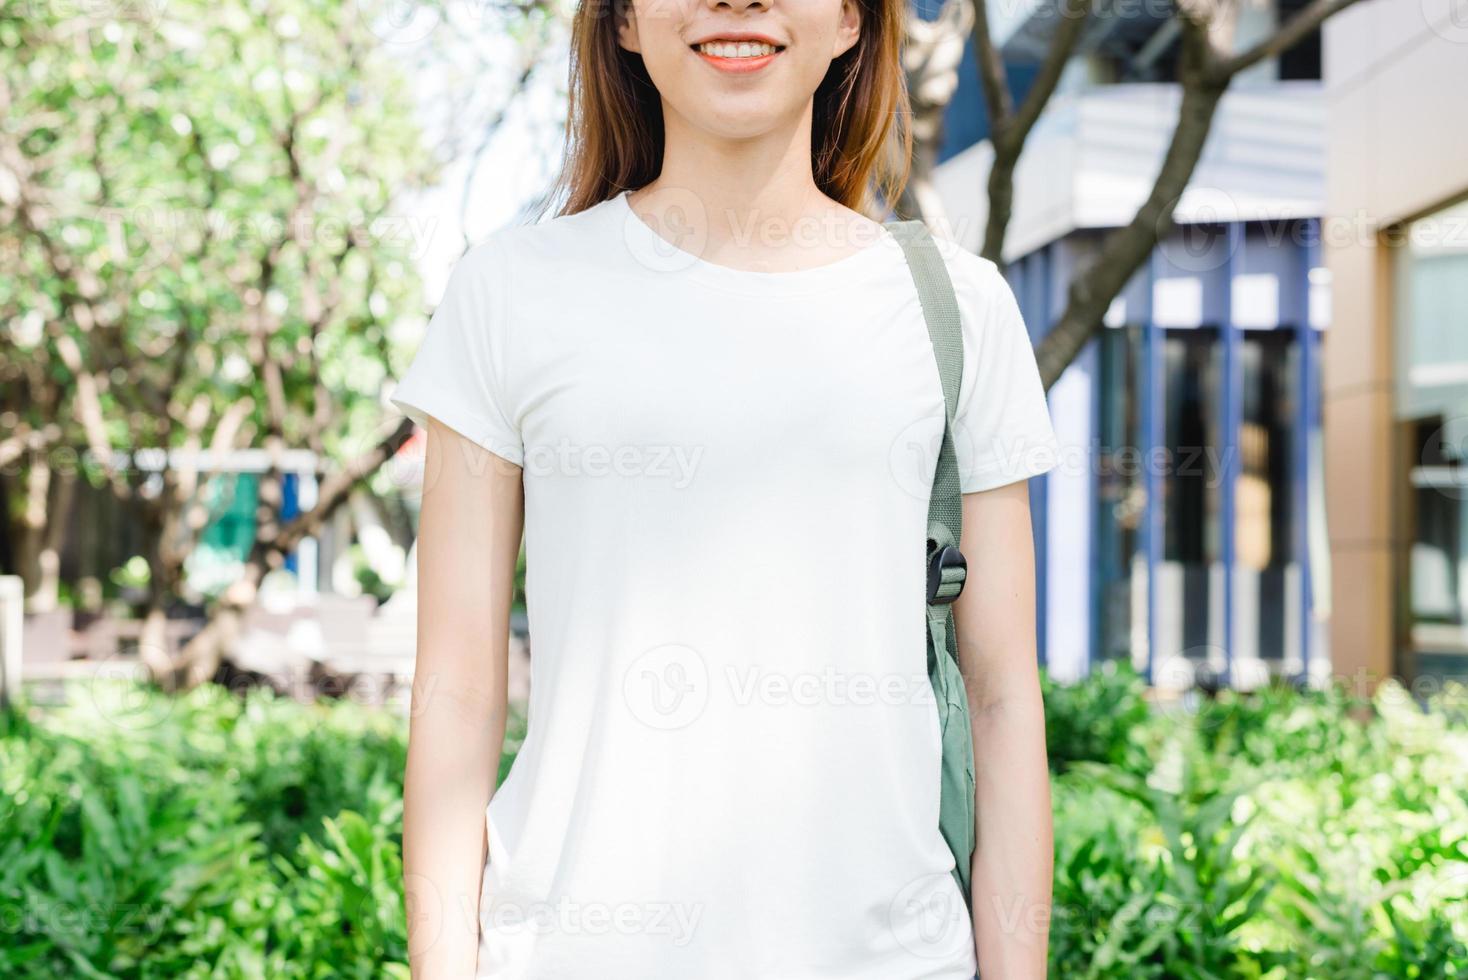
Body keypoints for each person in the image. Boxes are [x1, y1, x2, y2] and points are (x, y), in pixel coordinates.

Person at [391, 0, 1059, 975]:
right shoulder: (510, 290)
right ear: (620, 22)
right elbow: (455, 696)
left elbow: (1001, 699)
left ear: (848, 24)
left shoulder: (959, 307)